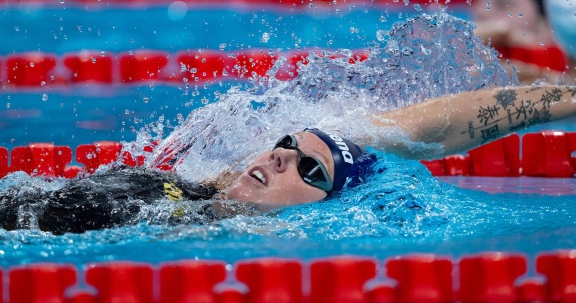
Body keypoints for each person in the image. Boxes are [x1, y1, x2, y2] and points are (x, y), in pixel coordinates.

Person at [1, 84, 573, 234]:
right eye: (289, 144)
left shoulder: (216, 243)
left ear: (325, 208)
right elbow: (428, 126)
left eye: (311, 171)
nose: (282, 157)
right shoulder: (190, 185)